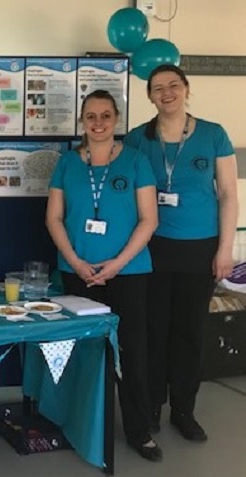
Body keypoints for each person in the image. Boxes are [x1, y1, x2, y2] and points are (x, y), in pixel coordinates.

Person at [124, 64, 238, 442]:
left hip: (200, 248)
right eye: (158, 88)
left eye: (174, 85)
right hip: (152, 248)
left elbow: (227, 195)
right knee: (154, 330)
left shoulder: (213, 134)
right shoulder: (139, 139)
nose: (167, 92)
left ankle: (184, 409)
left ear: (187, 89)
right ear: (150, 96)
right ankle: (153, 405)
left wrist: (225, 250)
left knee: (190, 332)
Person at [46, 90, 161, 461]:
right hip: (77, 273)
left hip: (128, 273)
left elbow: (149, 219)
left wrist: (117, 264)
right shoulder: (67, 163)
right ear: (82, 121)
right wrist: (76, 262)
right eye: (91, 116)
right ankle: (77, 422)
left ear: (116, 120)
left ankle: (139, 430)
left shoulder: (136, 161)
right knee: (80, 353)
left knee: (131, 353)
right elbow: (53, 218)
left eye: (106, 116)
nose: (98, 123)